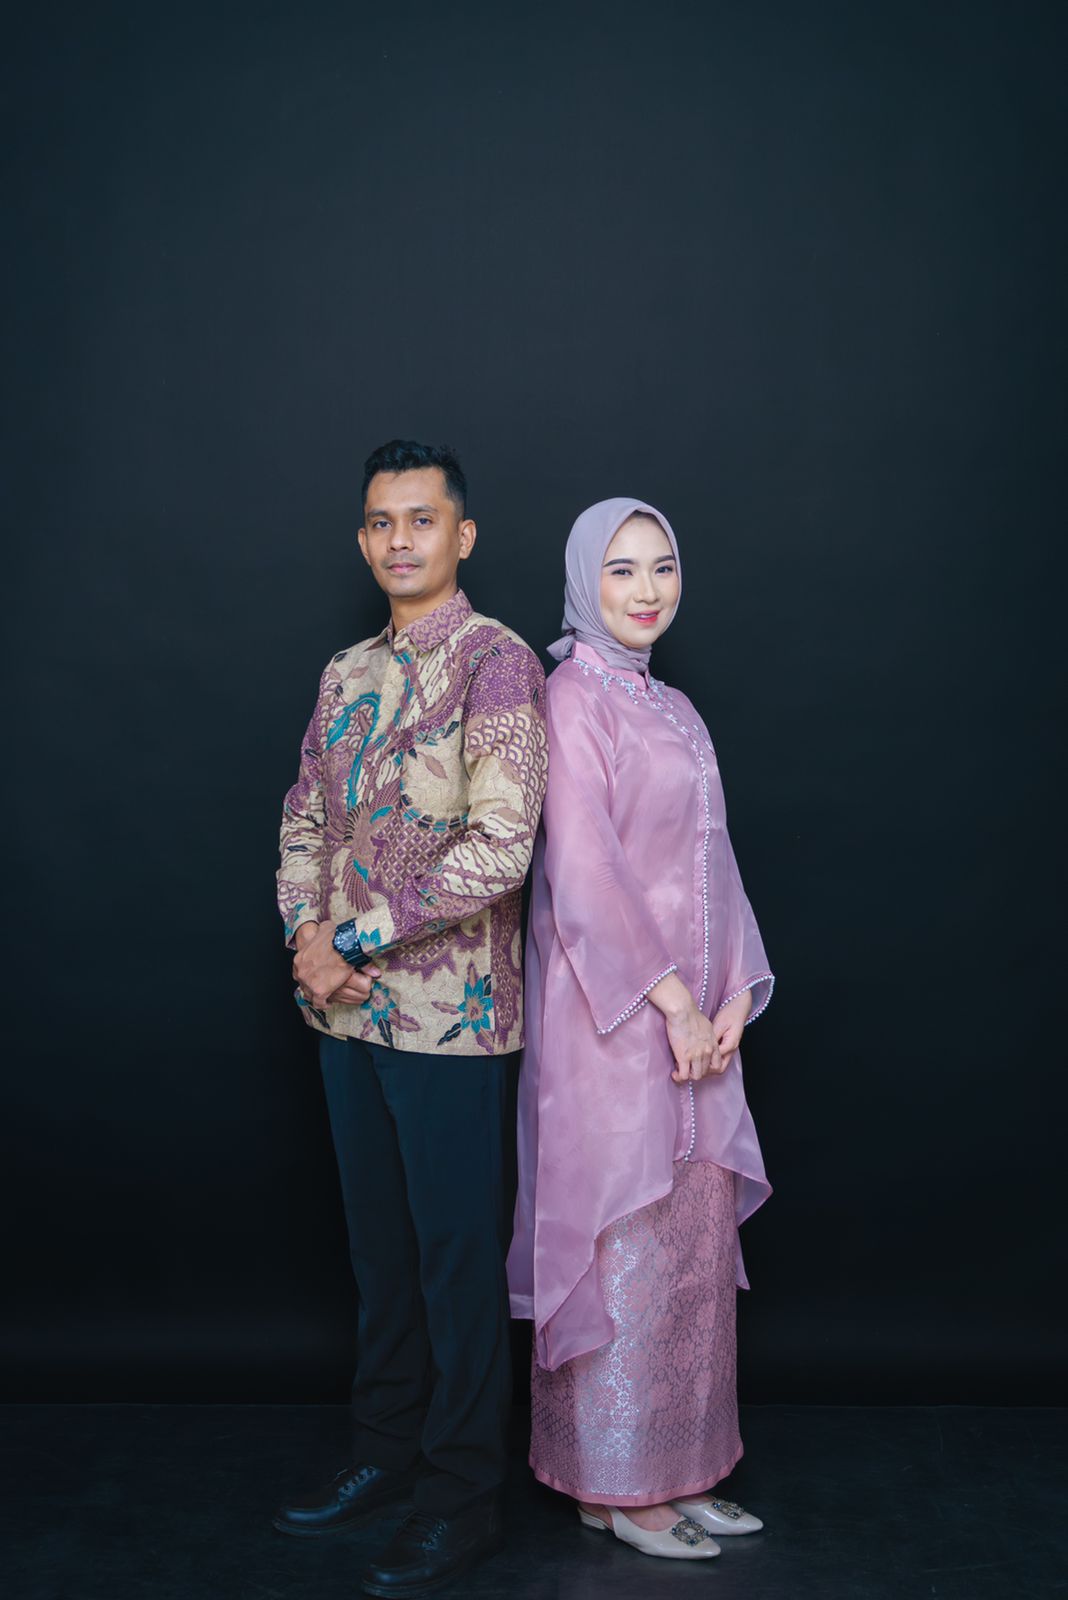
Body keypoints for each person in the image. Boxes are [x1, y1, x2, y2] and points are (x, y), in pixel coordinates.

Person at [274, 440, 548, 1597]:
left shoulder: (498, 663)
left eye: (421, 519)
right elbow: (304, 817)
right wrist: (306, 936)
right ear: (364, 539)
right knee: (380, 1257)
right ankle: (383, 1453)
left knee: (454, 1266)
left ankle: (459, 1496)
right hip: (343, 1018)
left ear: (461, 535)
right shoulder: (344, 673)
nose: (401, 539)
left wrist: (354, 937)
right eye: (382, 521)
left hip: (452, 1024)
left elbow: (502, 844)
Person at [507, 498, 774, 1561]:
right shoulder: (573, 697)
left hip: (700, 1029)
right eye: (621, 570)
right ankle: (614, 1485)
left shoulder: (678, 707)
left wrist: (733, 1000)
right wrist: (674, 1004)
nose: (647, 589)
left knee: (688, 1257)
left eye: (662, 566)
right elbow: (585, 872)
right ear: (587, 581)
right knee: (622, 1243)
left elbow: (717, 860)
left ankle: (684, 1468)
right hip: (614, 1025)